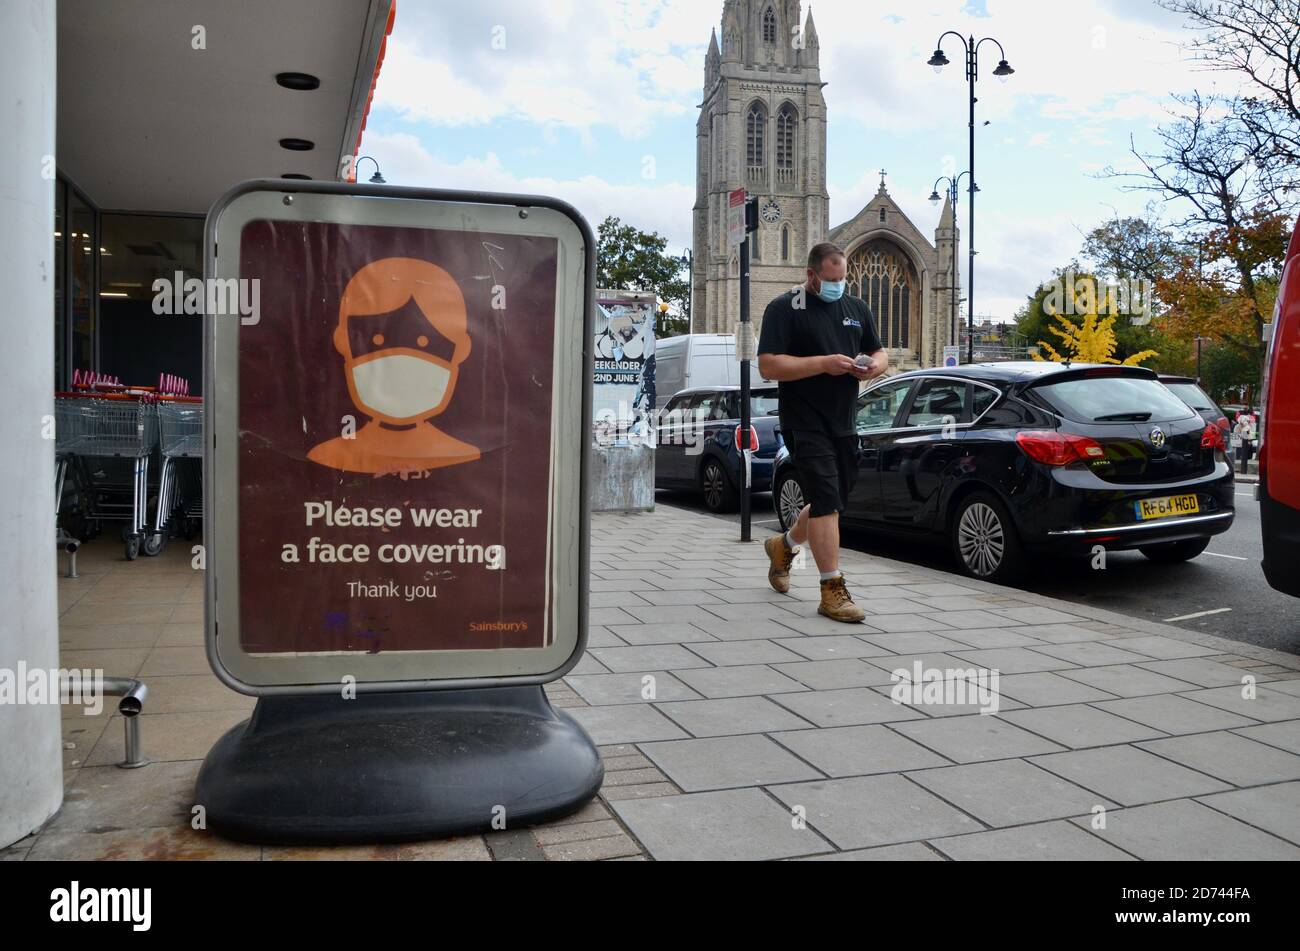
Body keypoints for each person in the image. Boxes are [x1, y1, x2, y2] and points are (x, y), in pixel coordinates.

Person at [757, 242, 888, 622]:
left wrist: (873, 367)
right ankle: (832, 590)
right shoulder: (784, 308)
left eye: (842, 278)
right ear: (811, 274)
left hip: (844, 421)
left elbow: (879, 352)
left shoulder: (856, 308)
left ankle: (784, 546)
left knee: (830, 501)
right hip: (804, 420)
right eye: (830, 279)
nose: (837, 285)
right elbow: (769, 365)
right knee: (827, 500)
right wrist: (823, 364)